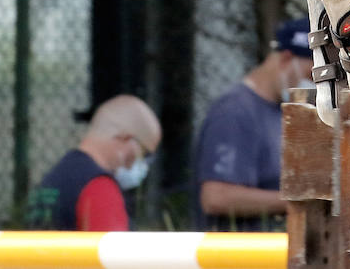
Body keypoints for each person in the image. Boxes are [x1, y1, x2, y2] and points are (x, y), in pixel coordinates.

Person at [192, 17, 313, 230]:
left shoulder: (283, 110)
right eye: (310, 75)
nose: (313, 85)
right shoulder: (234, 111)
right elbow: (216, 197)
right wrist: (301, 202)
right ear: (286, 59)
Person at [24, 94, 160, 231]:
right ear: (126, 138)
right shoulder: (99, 188)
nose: (143, 163)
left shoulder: (53, 179)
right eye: (145, 153)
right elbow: (113, 250)